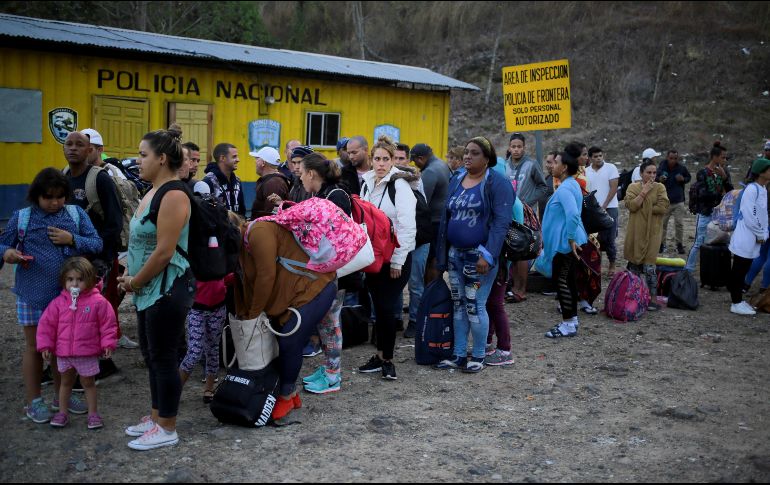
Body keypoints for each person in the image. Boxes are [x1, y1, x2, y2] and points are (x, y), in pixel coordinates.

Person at [0, 167, 102, 424]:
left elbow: (96, 243)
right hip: (31, 295)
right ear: (37, 196)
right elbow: (3, 244)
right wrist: (7, 253)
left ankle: (61, 397)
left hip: (68, 299)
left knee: (62, 350)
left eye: (60, 197)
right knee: (35, 348)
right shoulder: (22, 218)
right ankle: (34, 401)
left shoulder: (75, 214)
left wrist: (72, 239)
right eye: (48, 197)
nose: (55, 202)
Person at [119, 124, 194, 451]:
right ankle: (155, 417)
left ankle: (168, 426)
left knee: (163, 357)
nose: (138, 161)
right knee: (151, 355)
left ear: (162, 158)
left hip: (165, 288)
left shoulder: (174, 194)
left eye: (143, 154)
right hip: (149, 289)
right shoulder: (152, 190)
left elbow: (164, 251)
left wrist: (135, 280)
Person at [235, 216, 337, 419]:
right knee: (288, 339)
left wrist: (253, 315)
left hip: (314, 287)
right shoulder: (248, 239)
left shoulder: (258, 232)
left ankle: (286, 396)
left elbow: (266, 276)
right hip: (302, 290)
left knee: (290, 341)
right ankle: (291, 394)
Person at [434, 136, 513, 372]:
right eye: (466, 152)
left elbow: (501, 222)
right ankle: (459, 354)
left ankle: (478, 356)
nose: (468, 156)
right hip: (455, 254)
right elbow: (447, 216)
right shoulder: (457, 178)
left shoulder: (497, 183)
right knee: (458, 304)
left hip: (479, 257)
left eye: (475, 153)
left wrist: (488, 255)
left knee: (475, 306)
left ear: (487, 159)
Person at [63, 131, 125, 378]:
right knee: (72, 309)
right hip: (71, 258)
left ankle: (102, 363)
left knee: (94, 311)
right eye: (69, 144)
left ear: (90, 150)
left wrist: (100, 257)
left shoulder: (99, 180)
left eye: (80, 145)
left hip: (98, 258)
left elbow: (114, 222)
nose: (73, 149)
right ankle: (74, 362)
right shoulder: (63, 177)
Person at [294, 153, 355, 394]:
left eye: (301, 173)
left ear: (311, 173)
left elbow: (334, 236)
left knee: (330, 324)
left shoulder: (335, 195)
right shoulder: (322, 194)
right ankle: (329, 369)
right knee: (325, 322)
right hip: (327, 270)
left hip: (337, 272)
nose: (299, 178)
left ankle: (333, 376)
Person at [358, 135, 417, 380]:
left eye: (386, 159)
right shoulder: (366, 184)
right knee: (378, 307)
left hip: (395, 259)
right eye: (377, 159)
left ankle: (388, 360)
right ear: (371, 161)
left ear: (393, 161)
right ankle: (380, 355)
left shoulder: (399, 186)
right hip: (373, 257)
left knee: (386, 308)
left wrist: (398, 261)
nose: (380, 163)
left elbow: (407, 227)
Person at [37, 257, 117, 429]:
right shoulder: (58, 303)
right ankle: (62, 413)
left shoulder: (98, 302)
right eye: (70, 279)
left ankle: (93, 414)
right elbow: (46, 325)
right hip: (64, 352)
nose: (75, 283)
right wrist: (45, 345)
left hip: (86, 352)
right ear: (64, 280)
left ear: (89, 279)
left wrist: (108, 344)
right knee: (65, 383)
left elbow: (108, 324)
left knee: (88, 383)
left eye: (80, 279)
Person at [179, 211, 242, 403]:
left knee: (213, 349)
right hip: (197, 308)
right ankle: (174, 390)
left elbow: (227, 277)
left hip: (217, 307)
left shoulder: (223, 253)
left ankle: (209, 389)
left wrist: (234, 278)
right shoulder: (198, 250)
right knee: (195, 351)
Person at [534, 151, 588, 338]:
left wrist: (571, 239)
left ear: (564, 167)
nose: (551, 166)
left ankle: (568, 324)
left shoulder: (565, 189)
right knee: (569, 281)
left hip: (565, 245)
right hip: (565, 243)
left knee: (562, 282)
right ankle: (571, 320)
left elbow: (573, 214)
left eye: (555, 162)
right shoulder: (571, 184)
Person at [403, 143, 451, 337]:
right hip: (441, 221)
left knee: (427, 268)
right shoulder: (442, 164)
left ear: (420, 158)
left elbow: (420, 201)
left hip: (434, 223)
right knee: (432, 264)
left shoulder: (430, 172)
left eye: (415, 160)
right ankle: (428, 302)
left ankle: (427, 305)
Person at [502, 133, 548, 303]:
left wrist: (526, 202)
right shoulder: (505, 166)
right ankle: (511, 286)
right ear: (509, 147)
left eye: (519, 146)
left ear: (524, 147)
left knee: (522, 253)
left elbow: (543, 187)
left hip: (526, 216)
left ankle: (521, 290)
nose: (516, 149)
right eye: (513, 146)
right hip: (508, 215)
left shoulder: (532, 164)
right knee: (510, 250)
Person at [624, 160, 670, 311]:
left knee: (650, 267)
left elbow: (663, 207)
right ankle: (633, 296)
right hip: (636, 232)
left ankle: (652, 298)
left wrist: (642, 203)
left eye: (654, 173)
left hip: (653, 232)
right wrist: (644, 192)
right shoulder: (633, 187)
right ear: (641, 173)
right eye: (648, 172)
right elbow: (631, 205)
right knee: (634, 266)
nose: (652, 176)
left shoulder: (660, 187)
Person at [729, 158, 770, 315]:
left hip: (755, 236)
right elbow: (749, 215)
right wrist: (760, 233)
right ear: (761, 172)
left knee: (744, 267)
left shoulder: (763, 189)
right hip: (746, 236)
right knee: (739, 269)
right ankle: (736, 302)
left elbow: (762, 214)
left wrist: (764, 232)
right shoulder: (752, 189)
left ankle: (739, 300)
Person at [685, 142, 733, 272]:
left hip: (720, 214)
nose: (725, 160)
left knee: (721, 242)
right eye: (723, 157)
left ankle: (717, 270)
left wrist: (724, 178)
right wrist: (718, 194)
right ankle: (688, 270)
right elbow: (703, 194)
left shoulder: (724, 172)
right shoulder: (703, 173)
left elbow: (730, 192)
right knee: (699, 242)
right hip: (706, 212)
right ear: (714, 157)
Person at [585, 146, 620, 277]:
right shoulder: (586, 171)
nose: (599, 158)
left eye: (600, 155)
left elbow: (614, 187)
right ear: (590, 158)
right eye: (595, 156)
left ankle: (612, 264)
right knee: (594, 238)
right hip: (593, 210)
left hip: (610, 208)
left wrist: (604, 205)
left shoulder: (611, 168)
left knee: (610, 238)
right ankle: (596, 265)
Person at [657, 150, 691, 254]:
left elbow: (688, 177)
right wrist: (660, 179)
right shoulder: (662, 167)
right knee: (662, 224)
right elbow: (655, 178)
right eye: (671, 158)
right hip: (665, 201)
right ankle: (661, 245)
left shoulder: (681, 168)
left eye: (675, 158)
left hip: (679, 201)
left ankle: (679, 245)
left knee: (679, 224)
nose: (673, 160)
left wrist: (683, 179)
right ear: (667, 157)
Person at [202, 142, 246, 217]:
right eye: (234, 157)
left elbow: (242, 210)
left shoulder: (237, 181)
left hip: (237, 227)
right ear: (222, 158)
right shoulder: (208, 181)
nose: (238, 160)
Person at [250, 146, 290, 218]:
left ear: (263, 163)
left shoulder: (273, 183)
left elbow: (270, 215)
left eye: (257, 158)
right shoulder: (273, 181)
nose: (255, 161)